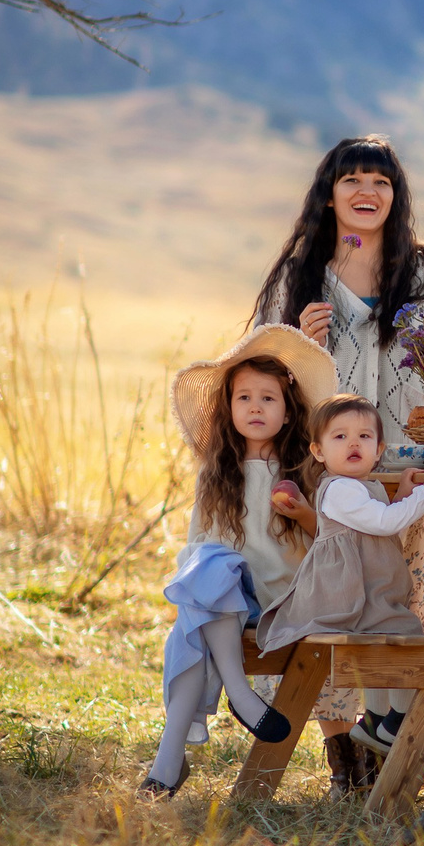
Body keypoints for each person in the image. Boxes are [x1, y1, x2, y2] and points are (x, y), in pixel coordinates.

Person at [252, 134, 424, 795]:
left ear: (396, 194)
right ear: (329, 193)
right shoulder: (303, 271)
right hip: (324, 478)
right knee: (329, 611)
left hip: (402, 472)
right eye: (351, 179)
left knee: (399, 608)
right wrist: (302, 346)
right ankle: (341, 760)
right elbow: (264, 381)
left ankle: (388, 754)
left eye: (379, 181)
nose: (365, 192)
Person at [142, 326, 338, 797]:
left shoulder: (307, 471)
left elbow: (333, 543)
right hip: (225, 604)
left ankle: (168, 764)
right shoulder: (216, 473)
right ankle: (235, 698)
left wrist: (304, 512)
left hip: (285, 601)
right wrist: (208, 574)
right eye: (244, 397)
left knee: (197, 607)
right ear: (228, 409)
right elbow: (194, 552)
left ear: (289, 410)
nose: (255, 407)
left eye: (268, 398)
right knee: (208, 567)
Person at [258, 394, 424, 755]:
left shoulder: (361, 489)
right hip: (349, 595)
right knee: (409, 640)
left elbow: (380, 531)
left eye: (364, 437)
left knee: (384, 647)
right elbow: (385, 524)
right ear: (319, 451)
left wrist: (404, 495)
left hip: (365, 593)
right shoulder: (339, 490)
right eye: (339, 437)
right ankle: (397, 721)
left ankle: (374, 719)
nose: (353, 443)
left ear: (378, 449)